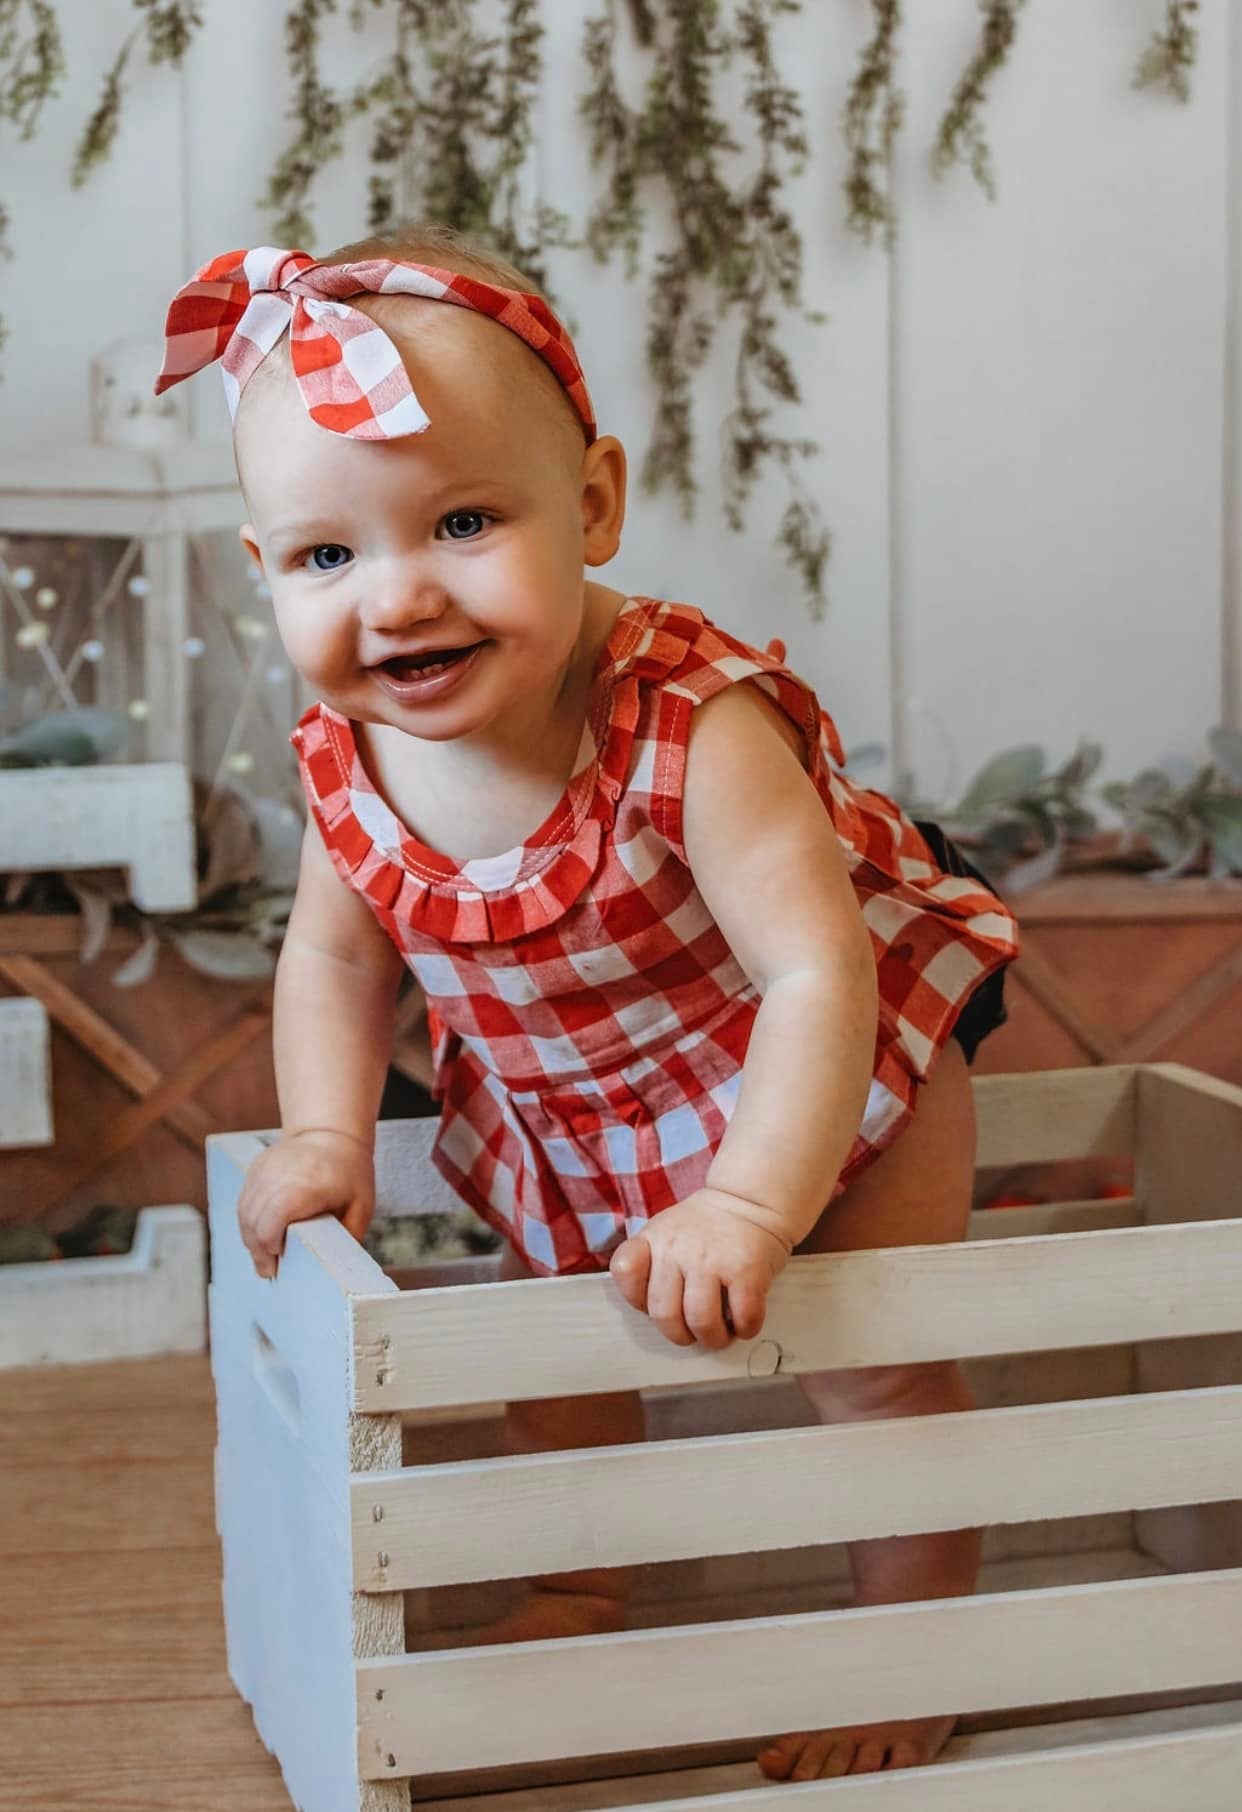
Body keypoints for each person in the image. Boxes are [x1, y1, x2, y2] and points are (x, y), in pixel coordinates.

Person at [157, 224, 1019, 1783]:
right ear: (262, 570)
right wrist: (320, 1129)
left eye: (465, 520)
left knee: (875, 1359)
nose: (399, 597)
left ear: (594, 503)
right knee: (552, 1374)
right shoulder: (347, 756)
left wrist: (754, 1201)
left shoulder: (685, 718)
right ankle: (581, 1578)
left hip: (823, 1071)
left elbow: (813, 970)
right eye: (328, 557)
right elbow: (339, 963)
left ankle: (915, 1634)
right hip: (576, 1109)